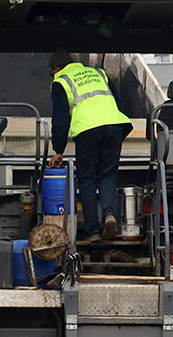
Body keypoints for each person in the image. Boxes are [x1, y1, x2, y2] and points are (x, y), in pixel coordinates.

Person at [48, 52, 133, 240]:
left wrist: (58, 150)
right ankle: (109, 215)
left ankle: (93, 230)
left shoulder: (60, 81)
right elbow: (118, 102)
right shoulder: (99, 73)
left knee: (87, 179)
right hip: (113, 125)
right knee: (108, 175)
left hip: (87, 130)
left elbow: (60, 120)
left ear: (55, 69)